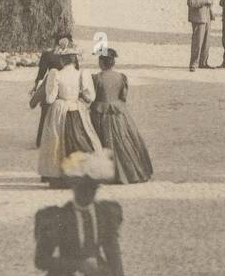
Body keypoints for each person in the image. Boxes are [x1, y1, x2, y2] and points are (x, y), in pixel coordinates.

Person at [35, 151, 127, 276]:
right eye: (82, 189)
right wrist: (76, 265)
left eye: (92, 189)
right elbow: (41, 260)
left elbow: (112, 252)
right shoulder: (58, 217)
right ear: (73, 187)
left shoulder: (104, 214)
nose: (87, 194)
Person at [39, 47, 108, 185]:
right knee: (82, 138)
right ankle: (84, 173)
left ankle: (58, 174)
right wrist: (79, 96)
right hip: (77, 109)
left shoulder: (56, 74)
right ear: (74, 59)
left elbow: (50, 99)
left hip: (60, 111)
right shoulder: (82, 74)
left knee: (57, 142)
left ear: (62, 60)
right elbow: (90, 97)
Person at [90, 49, 153, 184]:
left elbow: (91, 97)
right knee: (123, 140)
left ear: (101, 62)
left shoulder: (96, 78)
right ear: (112, 63)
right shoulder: (121, 77)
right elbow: (123, 97)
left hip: (100, 112)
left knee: (100, 141)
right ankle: (129, 170)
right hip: (118, 112)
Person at [32, 32, 77, 146]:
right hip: (62, 84)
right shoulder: (71, 55)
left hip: (52, 83)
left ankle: (42, 141)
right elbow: (76, 71)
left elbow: (41, 74)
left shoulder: (48, 54)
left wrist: (37, 86)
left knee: (47, 111)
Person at [187, 0, 214, 70]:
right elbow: (191, 3)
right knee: (197, 42)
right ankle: (193, 64)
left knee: (206, 42)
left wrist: (210, 2)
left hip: (207, 18)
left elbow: (207, 1)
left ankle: (203, 63)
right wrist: (205, 1)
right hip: (198, 19)